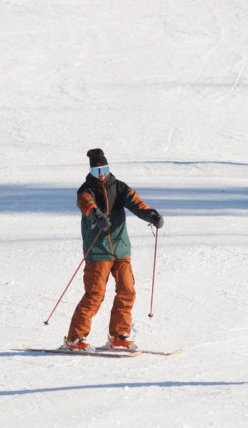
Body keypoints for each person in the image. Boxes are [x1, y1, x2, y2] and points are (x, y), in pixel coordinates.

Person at [63, 149, 164, 352]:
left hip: (120, 249)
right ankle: (75, 338)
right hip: (98, 251)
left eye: (104, 169)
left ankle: (118, 335)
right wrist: (97, 216)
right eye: (96, 170)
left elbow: (136, 204)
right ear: (91, 171)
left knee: (127, 290)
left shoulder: (119, 187)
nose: (101, 174)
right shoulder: (85, 191)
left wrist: (151, 215)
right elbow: (87, 205)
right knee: (95, 295)